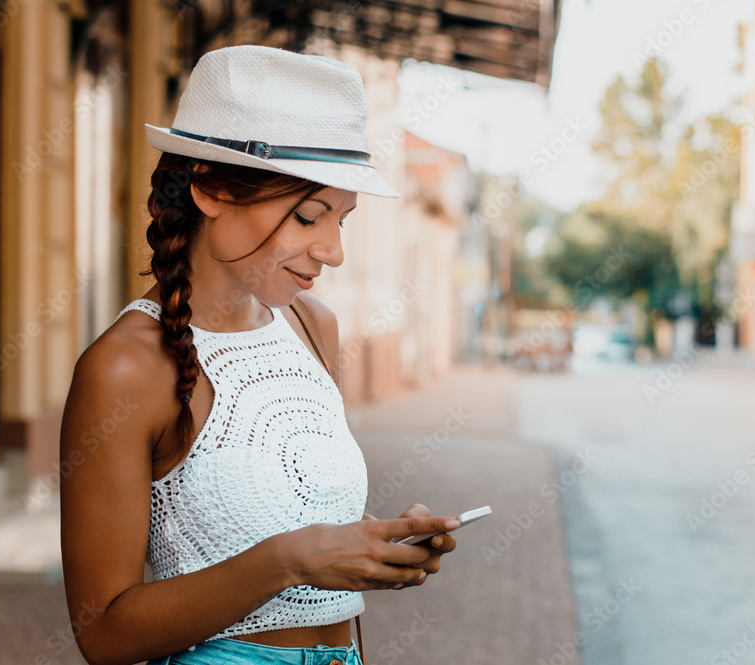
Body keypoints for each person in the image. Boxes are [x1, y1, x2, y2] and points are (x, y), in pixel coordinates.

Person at [59, 45, 460, 665]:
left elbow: (289, 513)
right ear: (213, 189)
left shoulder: (312, 326)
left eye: (342, 222)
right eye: (307, 217)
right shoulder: (126, 368)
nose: (333, 251)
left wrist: (373, 544)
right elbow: (104, 634)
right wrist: (290, 560)